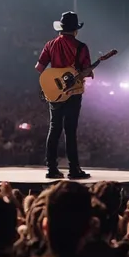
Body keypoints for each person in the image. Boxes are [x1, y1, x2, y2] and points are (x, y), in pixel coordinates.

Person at [35, 11, 94, 180]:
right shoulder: (81, 47)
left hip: (55, 92)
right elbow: (85, 71)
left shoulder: (50, 44)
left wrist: (55, 79)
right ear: (75, 29)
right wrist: (85, 73)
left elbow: (39, 68)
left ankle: (51, 169)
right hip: (73, 93)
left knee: (54, 128)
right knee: (70, 130)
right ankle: (74, 169)